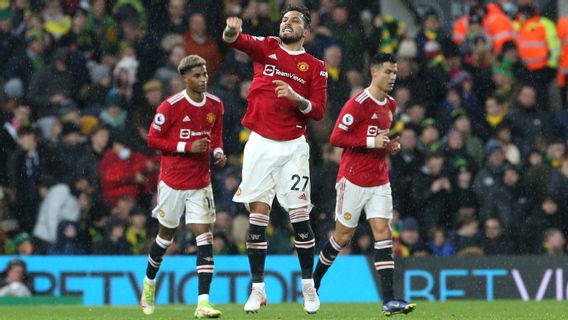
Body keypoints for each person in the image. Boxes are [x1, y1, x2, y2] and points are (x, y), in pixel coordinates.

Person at [222, 4, 327, 314]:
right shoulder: (267, 47)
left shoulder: (315, 66)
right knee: (258, 214)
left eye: (294, 20)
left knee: (299, 217)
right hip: (260, 145)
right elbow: (236, 40)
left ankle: (308, 286)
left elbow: (318, 112)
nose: (287, 23)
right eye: (284, 19)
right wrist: (230, 31)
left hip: (294, 147)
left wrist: (296, 97)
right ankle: (257, 289)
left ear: (306, 31)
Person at [312, 53, 416, 317]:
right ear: (374, 72)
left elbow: (378, 138)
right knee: (342, 238)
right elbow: (337, 137)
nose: (392, 77)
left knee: (383, 233)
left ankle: (389, 300)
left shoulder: (390, 104)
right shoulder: (358, 103)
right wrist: (372, 143)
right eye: (388, 72)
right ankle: (313, 283)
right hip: (353, 179)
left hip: (379, 180)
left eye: (395, 72)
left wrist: (388, 145)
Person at [140, 54, 226, 319]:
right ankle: (149, 284)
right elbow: (153, 139)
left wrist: (219, 151)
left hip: (200, 182)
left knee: (205, 237)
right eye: (197, 76)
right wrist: (185, 147)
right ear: (185, 78)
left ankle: (203, 303)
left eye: (205, 75)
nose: (203, 80)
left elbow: (216, 134)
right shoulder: (171, 106)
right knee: (166, 236)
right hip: (173, 182)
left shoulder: (216, 104)